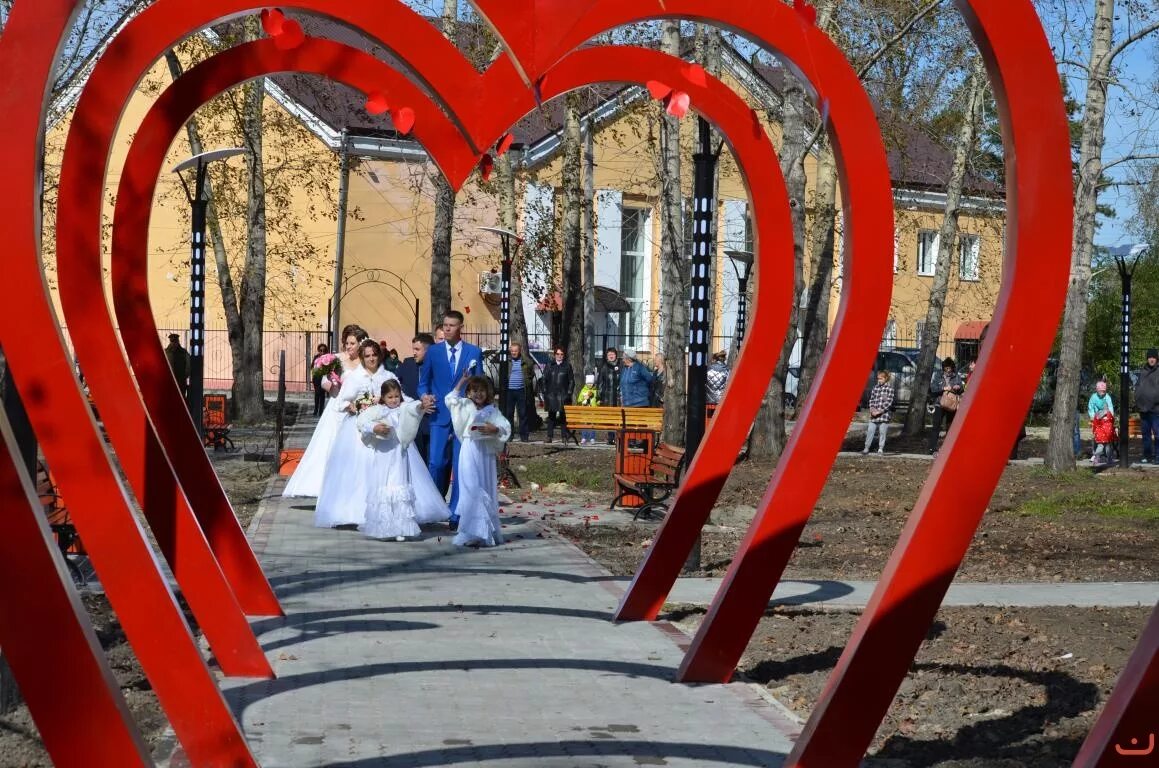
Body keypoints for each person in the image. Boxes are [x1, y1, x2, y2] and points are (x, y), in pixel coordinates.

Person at [314, 339, 399, 528]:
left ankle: (384, 510)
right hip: (357, 431)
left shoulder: (388, 375)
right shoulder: (355, 377)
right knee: (358, 468)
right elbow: (341, 402)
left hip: (383, 427)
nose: (371, 359)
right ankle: (356, 510)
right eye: (367, 355)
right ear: (362, 357)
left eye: (374, 355)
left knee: (383, 469)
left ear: (379, 355)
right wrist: (351, 406)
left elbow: (399, 398)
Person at [357, 379, 450, 541]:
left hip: (399, 454)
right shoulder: (377, 411)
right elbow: (361, 422)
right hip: (383, 454)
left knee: (399, 484)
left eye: (396, 396)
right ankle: (383, 527)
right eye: (390, 397)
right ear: (383, 397)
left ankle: (400, 527)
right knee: (384, 485)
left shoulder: (403, 408)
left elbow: (414, 408)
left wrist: (422, 405)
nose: (394, 400)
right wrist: (374, 428)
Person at [283, 326, 367, 498]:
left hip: (357, 408)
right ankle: (323, 486)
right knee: (329, 444)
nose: (349, 346)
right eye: (347, 343)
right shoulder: (336, 359)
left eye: (353, 343)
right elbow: (323, 382)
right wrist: (332, 382)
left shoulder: (365, 362)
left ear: (360, 344)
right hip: (337, 406)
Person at [419, 310, 483, 531]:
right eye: (444, 325)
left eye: (451, 325)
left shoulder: (473, 352)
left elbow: (479, 385)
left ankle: (456, 512)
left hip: (463, 419)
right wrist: (423, 396)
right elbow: (423, 382)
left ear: (460, 327)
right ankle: (433, 505)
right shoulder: (434, 352)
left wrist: (476, 406)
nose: (447, 329)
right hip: (438, 415)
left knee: (460, 466)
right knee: (436, 463)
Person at [445, 373, 511, 548]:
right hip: (469, 449)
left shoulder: (492, 411)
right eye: (475, 390)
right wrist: (461, 383)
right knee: (471, 487)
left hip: (485, 453)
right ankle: (470, 531)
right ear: (469, 393)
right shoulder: (465, 405)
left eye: (482, 391)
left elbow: (505, 427)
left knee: (485, 486)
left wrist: (495, 429)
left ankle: (485, 531)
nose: (479, 394)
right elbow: (450, 399)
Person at [396, 333, 434, 464]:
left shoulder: (437, 366)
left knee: (434, 462)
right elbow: (393, 384)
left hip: (432, 420)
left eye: (417, 349)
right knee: (416, 462)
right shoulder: (407, 364)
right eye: (413, 349)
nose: (414, 353)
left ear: (428, 350)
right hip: (413, 421)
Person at [926, 357, 964, 455]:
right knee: (936, 426)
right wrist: (943, 388)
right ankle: (932, 448)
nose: (948, 370)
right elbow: (933, 389)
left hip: (951, 405)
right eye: (946, 368)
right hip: (939, 403)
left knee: (950, 426)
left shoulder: (956, 377)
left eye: (950, 368)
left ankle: (949, 448)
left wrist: (958, 387)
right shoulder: (938, 376)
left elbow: (961, 389)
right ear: (943, 368)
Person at [541, 346, 575, 443]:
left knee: (563, 417)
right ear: (554, 355)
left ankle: (564, 436)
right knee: (551, 417)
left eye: (561, 354)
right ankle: (549, 436)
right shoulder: (549, 365)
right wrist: (544, 391)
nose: (559, 356)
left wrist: (569, 393)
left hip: (563, 395)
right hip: (551, 395)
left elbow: (571, 381)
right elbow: (543, 379)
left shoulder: (567, 366)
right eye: (558, 354)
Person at [504, 341, 534, 442]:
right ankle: (509, 435)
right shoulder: (507, 361)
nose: (513, 353)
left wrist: (528, 381)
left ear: (519, 351)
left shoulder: (525, 361)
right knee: (509, 413)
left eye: (515, 351)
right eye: (512, 351)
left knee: (522, 414)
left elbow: (531, 373)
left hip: (521, 390)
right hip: (510, 391)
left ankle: (524, 436)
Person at [1134, 347, 1159, 464]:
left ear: (1157, 358)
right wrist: (1137, 400)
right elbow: (1138, 387)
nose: (1151, 359)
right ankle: (1147, 455)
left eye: (1153, 357)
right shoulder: (1142, 372)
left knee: (1157, 433)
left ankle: (1158, 455)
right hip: (1143, 409)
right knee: (1146, 434)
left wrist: (1154, 401)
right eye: (1150, 357)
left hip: (1156, 409)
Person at [863, 371, 894, 455]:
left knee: (882, 432)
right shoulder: (875, 388)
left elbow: (888, 402)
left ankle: (880, 448)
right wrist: (872, 410)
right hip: (874, 415)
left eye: (881, 378)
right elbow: (871, 400)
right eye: (878, 378)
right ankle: (866, 447)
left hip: (884, 415)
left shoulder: (889, 389)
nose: (879, 380)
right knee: (870, 430)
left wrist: (879, 411)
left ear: (886, 378)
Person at [595, 347, 621, 444]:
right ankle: (611, 438)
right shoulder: (604, 367)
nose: (611, 356)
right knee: (610, 418)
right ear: (606, 356)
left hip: (619, 397)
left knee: (619, 418)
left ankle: (619, 437)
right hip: (608, 397)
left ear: (616, 355)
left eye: (612, 354)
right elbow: (600, 383)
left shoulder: (621, 365)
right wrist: (599, 397)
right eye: (609, 354)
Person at [1088, 379, 1116, 466]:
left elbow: (1110, 407)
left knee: (1107, 442)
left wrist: (1110, 416)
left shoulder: (1107, 397)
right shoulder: (1093, 397)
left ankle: (1107, 456)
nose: (1102, 393)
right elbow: (1090, 407)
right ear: (1097, 390)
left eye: (1104, 391)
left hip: (1106, 418)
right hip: (1097, 418)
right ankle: (1095, 454)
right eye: (1100, 391)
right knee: (1096, 438)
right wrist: (1093, 417)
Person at [164, 333, 190, 398]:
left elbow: (188, 365)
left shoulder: (183, 352)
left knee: (180, 397)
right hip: (169, 380)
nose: (174, 343)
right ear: (170, 342)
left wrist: (185, 375)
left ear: (178, 341)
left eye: (175, 341)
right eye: (172, 341)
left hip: (180, 379)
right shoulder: (166, 352)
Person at [576, 373, 599, 444]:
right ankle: (584, 437)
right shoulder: (583, 390)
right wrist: (583, 398)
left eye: (591, 383)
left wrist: (598, 403)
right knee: (585, 424)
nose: (590, 385)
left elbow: (597, 400)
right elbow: (579, 400)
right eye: (588, 383)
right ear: (586, 383)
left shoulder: (595, 391)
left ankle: (592, 438)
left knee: (592, 424)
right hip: (585, 410)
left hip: (593, 410)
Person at [311, 343, 330, 417]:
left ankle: (321, 411)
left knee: (322, 395)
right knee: (317, 394)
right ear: (318, 350)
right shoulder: (316, 357)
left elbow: (329, 368)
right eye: (320, 350)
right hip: (316, 377)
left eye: (324, 350)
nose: (322, 352)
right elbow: (312, 366)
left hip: (323, 377)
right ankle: (315, 410)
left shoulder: (327, 358)